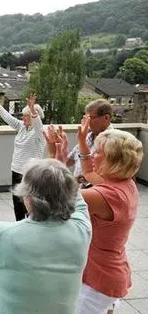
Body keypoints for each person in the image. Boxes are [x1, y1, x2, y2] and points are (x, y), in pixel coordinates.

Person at [0, 159, 92, 313]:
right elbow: (78, 201)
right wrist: (59, 170)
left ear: (28, 196)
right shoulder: (81, 230)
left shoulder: (1, 235)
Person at [48, 122, 143, 314]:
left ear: (113, 160)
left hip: (98, 280)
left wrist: (55, 158)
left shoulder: (103, 196)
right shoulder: (125, 184)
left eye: (97, 152)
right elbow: (89, 171)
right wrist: (82, 141)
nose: (91, 154)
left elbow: (53, 199)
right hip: (111, 270)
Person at [0, 88, 45, 220]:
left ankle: (32, 226)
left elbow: (38, 125)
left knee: (30, 202)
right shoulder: (21, 127)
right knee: (17, 202)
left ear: (35, 117)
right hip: (16, 170)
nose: (23, 118)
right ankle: (19, 224)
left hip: (31, 173)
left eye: (27, 115)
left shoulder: (39, 133)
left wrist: (33, 110)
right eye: (23, 115)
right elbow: (6, 116)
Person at [63, 99, 112, 187]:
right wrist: (58, 149)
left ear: (106, 118)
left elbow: (109, 179)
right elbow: (69, 160)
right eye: (85, 118)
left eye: (91, 118)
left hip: (97, 192)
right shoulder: (87, 136)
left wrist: (83, 178)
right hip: (80, 190)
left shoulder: (115, 142)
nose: (87, 123)